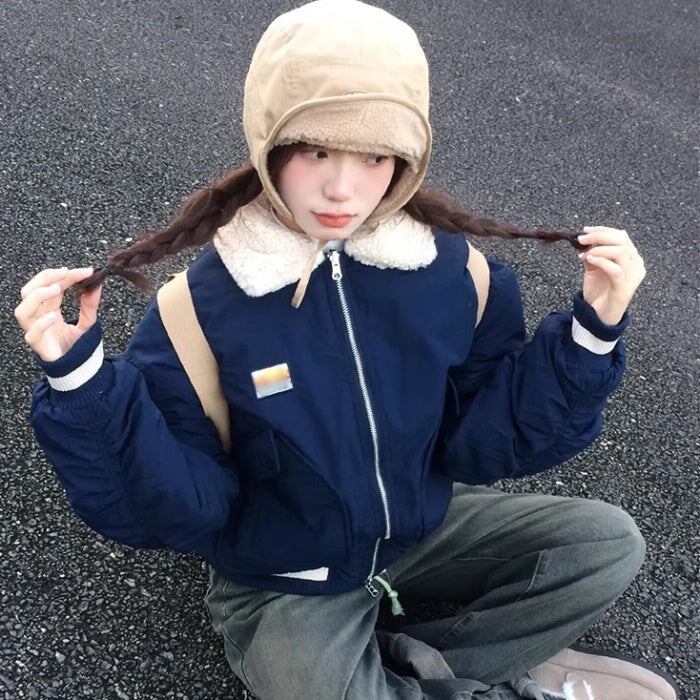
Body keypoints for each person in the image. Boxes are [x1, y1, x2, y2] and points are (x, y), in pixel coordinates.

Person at [14, 1, 679, 698]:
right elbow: (181, 511)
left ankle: (416, 667)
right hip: (285, 577)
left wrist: (593, 330)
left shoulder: (458, 274)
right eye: (316, 151)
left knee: (605, 546)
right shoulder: (196, 311)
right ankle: (485, 671)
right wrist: (81, 382)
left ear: (407, 159)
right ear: (269, 142)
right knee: (309, 680)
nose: (342, 188)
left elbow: (485, 444)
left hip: (416, 532)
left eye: (374, 156)